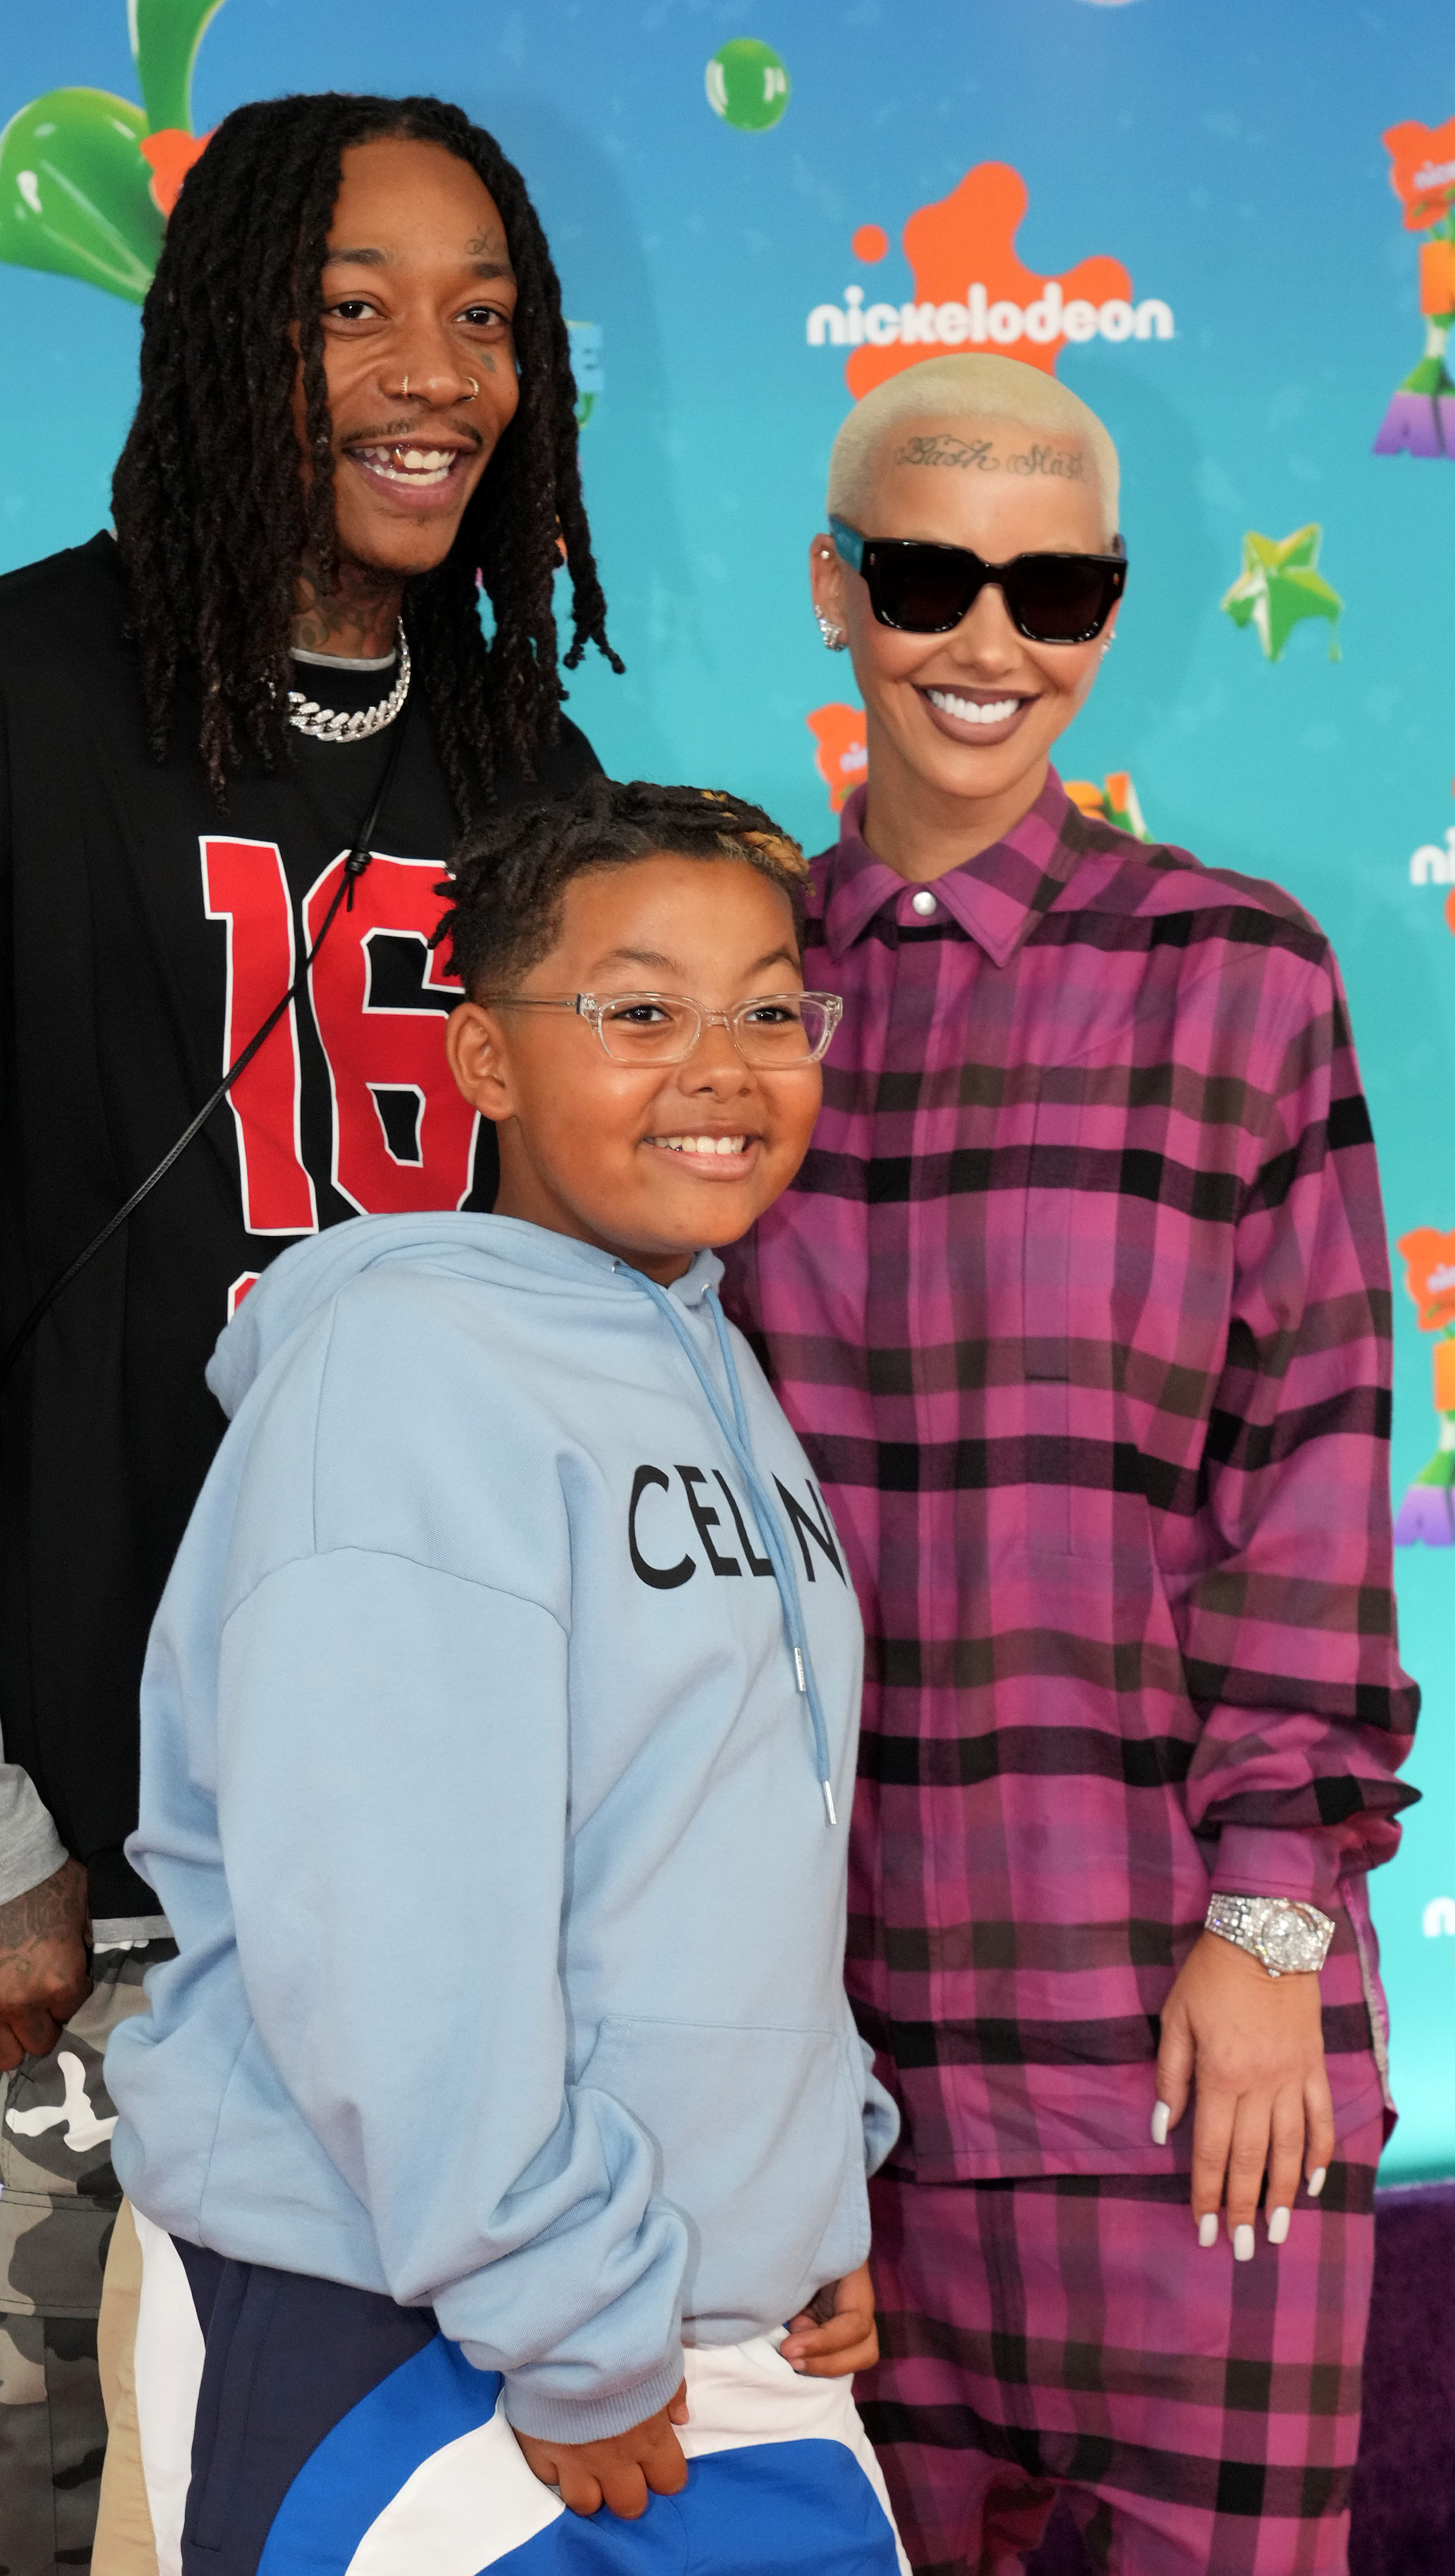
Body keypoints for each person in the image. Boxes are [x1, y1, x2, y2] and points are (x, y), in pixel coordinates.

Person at [0, 92, 615, 2576]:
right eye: (353, 306)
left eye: (484, 313)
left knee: (435, 2492)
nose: (430, 370)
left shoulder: (522, 762)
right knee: (106, 2458)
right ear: (233, 334)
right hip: (127, 1886)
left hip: (475, 1862)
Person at [726, 353, 1419, 2576]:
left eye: (1056, 585)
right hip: (816, 2081)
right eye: (929, 574)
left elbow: (1311, 1472)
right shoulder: (729, 1005)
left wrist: (1268, 1913)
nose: (989, 638)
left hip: (1182, 2037)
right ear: (834, 589)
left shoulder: (1239, 977)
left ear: (1111, 612)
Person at [101, 778, 908, 2575]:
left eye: (772, 1008)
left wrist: (804, 2179)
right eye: (640, 1011)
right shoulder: (402, 1366)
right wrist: (562, 2303)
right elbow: (384, 1924)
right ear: (481, 1060)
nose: (724, 1063)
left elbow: (725, 1843)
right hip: (435, 2333)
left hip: (701, 2317)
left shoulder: (711, 1362)